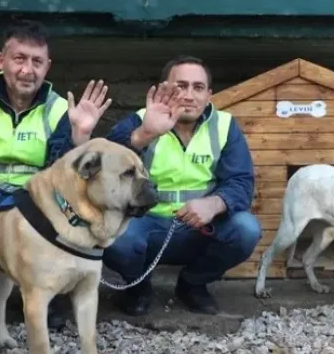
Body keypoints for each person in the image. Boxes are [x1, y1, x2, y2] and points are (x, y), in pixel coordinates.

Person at [0, 20, 112, 328]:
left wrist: (79, 138)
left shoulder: (59, 110)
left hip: (37, 205)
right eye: (20, 59)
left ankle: (50, 295)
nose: (28, 70)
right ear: (1, 60)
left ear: (47, 67)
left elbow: (63, 169)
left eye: (37, 62)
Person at [103, 55, 261, 316]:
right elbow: (106, 166)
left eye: (198, 88)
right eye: (181, 86)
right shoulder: (142, 120)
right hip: (146, 225)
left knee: (246, 230)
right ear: (165, 88)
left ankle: (192, 285)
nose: (189, 95)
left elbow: (241, 181)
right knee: (115, 235)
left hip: (200, 227)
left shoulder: (224, 126)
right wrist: (144, 135)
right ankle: (138, 287)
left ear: (209, 94)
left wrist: (215, 203)